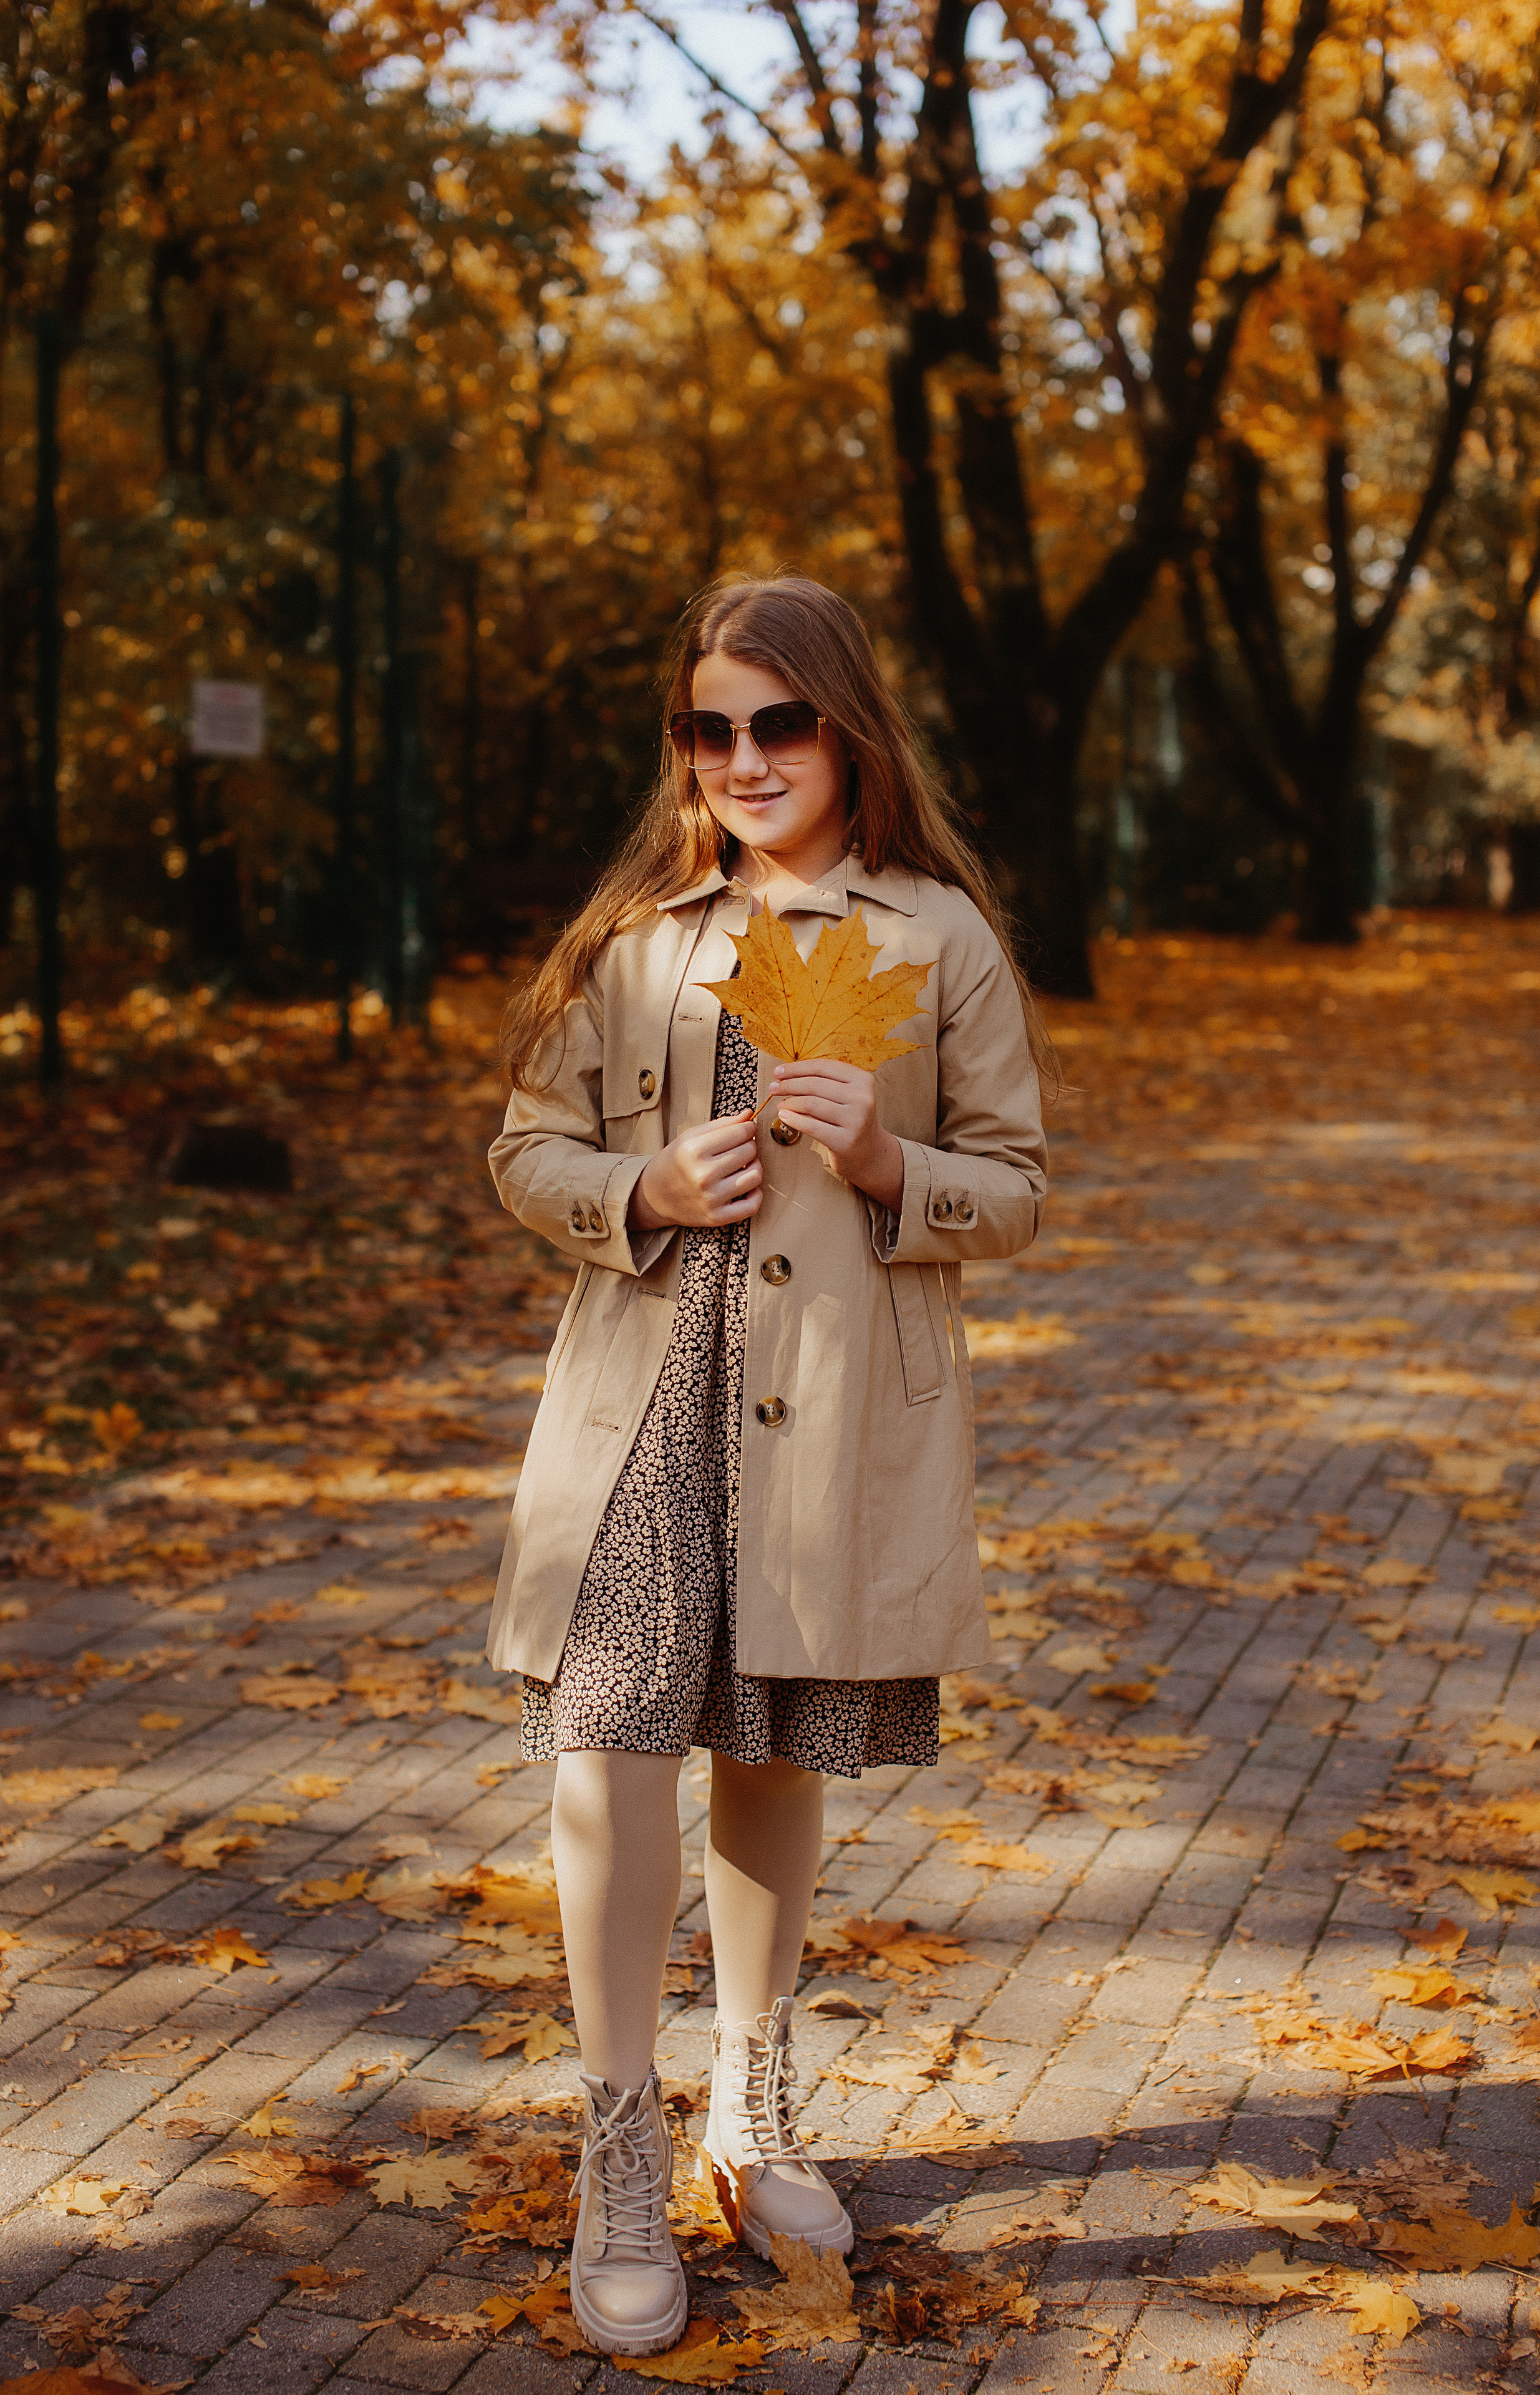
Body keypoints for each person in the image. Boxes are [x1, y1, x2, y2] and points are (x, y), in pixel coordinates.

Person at [487, 571, 1051, 2356]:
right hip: (644, 1389)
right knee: (608, 1738)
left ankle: (755, 2088)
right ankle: (615, 2137)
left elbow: (1019, 1191)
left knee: (769, 1732)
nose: (743, 757)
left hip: (828, 1409)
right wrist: (635, 1193)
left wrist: (893, 1163)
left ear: (846, 728)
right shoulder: (640, 937)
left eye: (777, 723)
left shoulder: (940, 934)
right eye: (708, 728)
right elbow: (527, 1148)